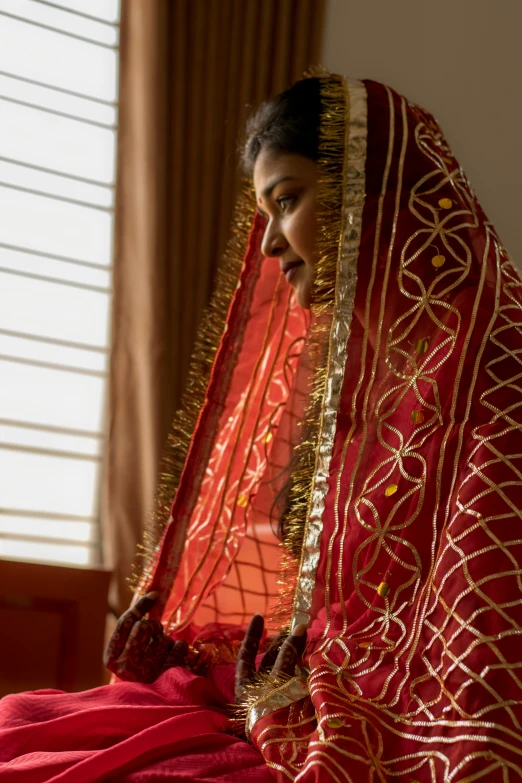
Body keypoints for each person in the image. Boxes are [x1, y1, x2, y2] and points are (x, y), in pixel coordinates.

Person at [1, 72, 521, 782]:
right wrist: (202, 660)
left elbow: (478, 659)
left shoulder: (497, 372)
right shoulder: (363, 387)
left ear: (374, 194)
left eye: (289, 200)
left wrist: (285, 705)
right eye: (266, 213)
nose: (272, 243)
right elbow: (339, 622)